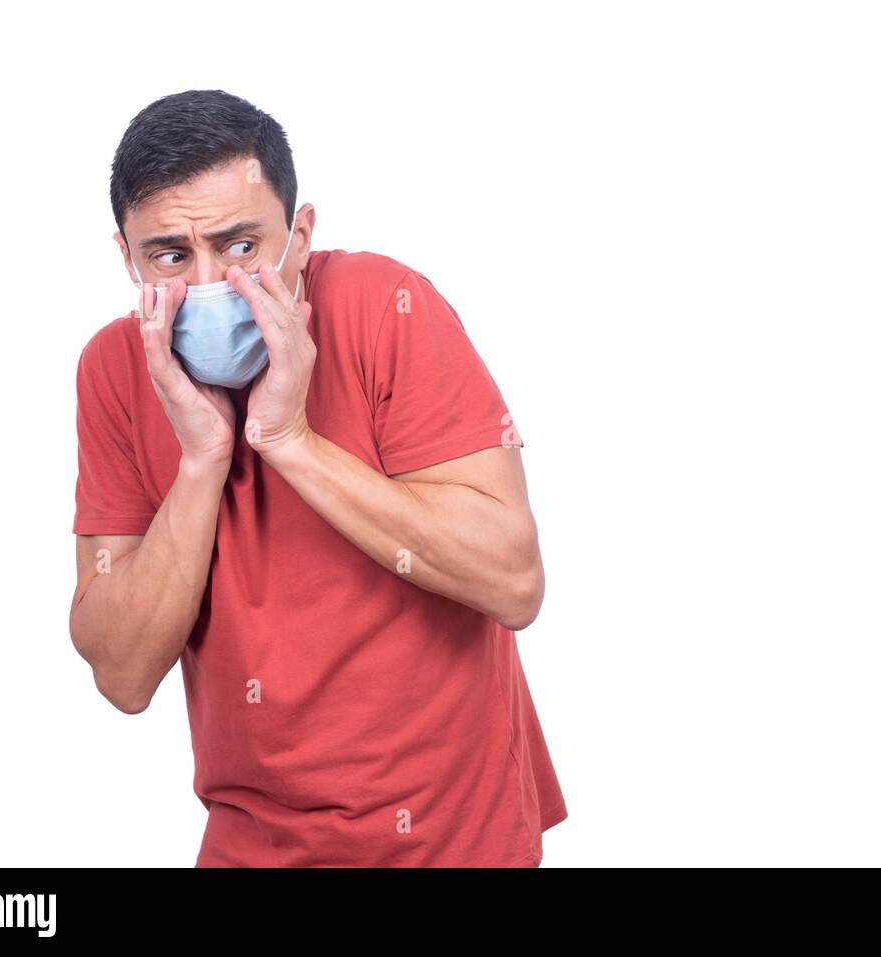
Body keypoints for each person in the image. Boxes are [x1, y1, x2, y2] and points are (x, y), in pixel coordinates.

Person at [68, 89, 567, 867]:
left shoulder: (383, 305)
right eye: (171, 255)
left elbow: (514, 580)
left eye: (241, 247)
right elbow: (123, 672)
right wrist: (202, 461)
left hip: (450, 838)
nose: (209, 284)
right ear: (128, 260)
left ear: (299, 237)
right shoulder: (112, 369)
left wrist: (289, 440)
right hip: (252, 841)